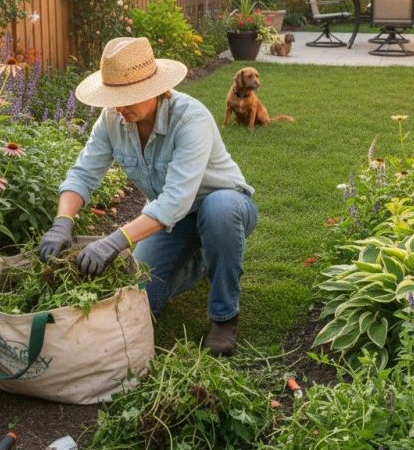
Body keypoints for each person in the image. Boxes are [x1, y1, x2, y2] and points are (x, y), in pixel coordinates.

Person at [38, 36, 258, 356]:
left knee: (219, 210)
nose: (119, 106)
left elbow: (175, 200)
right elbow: (83, 173)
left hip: (226, 205)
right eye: (114, 97)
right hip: (172, 221)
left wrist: (115, 241)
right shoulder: (113, 120)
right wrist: (62, 221)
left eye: (128, 97)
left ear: (155, 90)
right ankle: (202, 263)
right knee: (143, 300)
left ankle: (224, 317)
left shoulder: (190, 119)